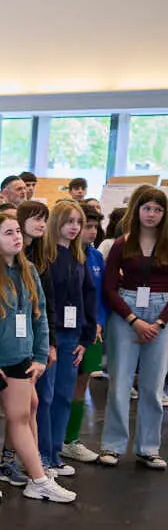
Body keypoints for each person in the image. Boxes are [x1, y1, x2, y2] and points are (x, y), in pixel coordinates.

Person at [0, 213, 77, 504]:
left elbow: (39, 315)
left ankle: (38, 479)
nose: (17, 237)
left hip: (21, 360)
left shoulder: (27, 269)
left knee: (21, 417)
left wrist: (40, 356)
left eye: (17, 231)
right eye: (8, 233)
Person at [97, 186, 168, 468]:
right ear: (137, 210)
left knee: (153, 387)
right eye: (147, 208)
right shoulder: (121, 243)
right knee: (120, 383)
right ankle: (112, 446)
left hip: (161, 316)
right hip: (125, 313)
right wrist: (133, 320)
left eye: (158, 209)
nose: (152, 214)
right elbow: (109, 287)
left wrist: (159, 322)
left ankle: (148, 448)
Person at [0, 200, 58, 484]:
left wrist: (47, 345)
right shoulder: (11, 258)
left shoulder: (41, 256)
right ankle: (24, 464)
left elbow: (44, 306)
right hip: (9, 345)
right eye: (34, 218)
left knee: (30, 404)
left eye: (44, 219)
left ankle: (26, 462)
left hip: (31, 339)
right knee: (26, 404)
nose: (40, 224)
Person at [39, 200, 97, 478]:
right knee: (45, 397)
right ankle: (41, 455)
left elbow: (88, 296)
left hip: (72, 336)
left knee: (63, 396)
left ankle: (54, 453)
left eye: (78, 222)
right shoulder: (45, 257)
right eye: (69, 221)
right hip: (50, 336)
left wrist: (85, 339)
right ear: (56, 223)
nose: (74, 227)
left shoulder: (81, 256)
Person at [62, 205, 108, 462]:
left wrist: (98, 323)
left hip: (91, 332)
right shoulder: (60, 255)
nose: (89, 231)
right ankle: (51, 441)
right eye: (85, 225)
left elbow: (100, 296)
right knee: (59, 387)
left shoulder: (96, 257)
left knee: (82, 383)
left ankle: (71, 440)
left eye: (92, 226)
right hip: (67, 331)